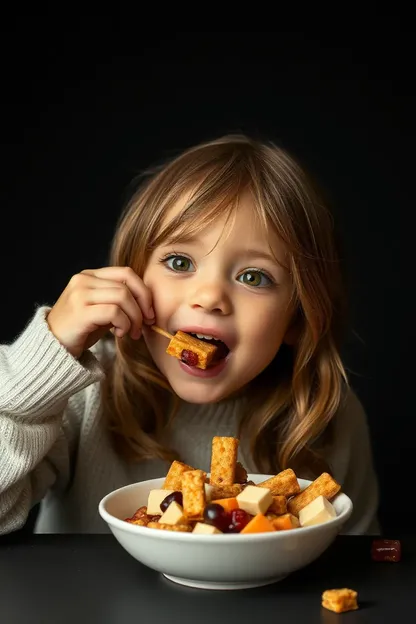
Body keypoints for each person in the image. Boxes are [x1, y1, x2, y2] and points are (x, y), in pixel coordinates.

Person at [0, 134, 380, 535]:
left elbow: (360, 562)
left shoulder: (325, 416)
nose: (209, 296)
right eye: (179, 261)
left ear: (298, 319)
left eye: (254, 276)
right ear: (133, 279)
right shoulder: (83, 390)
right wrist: (39, 370)